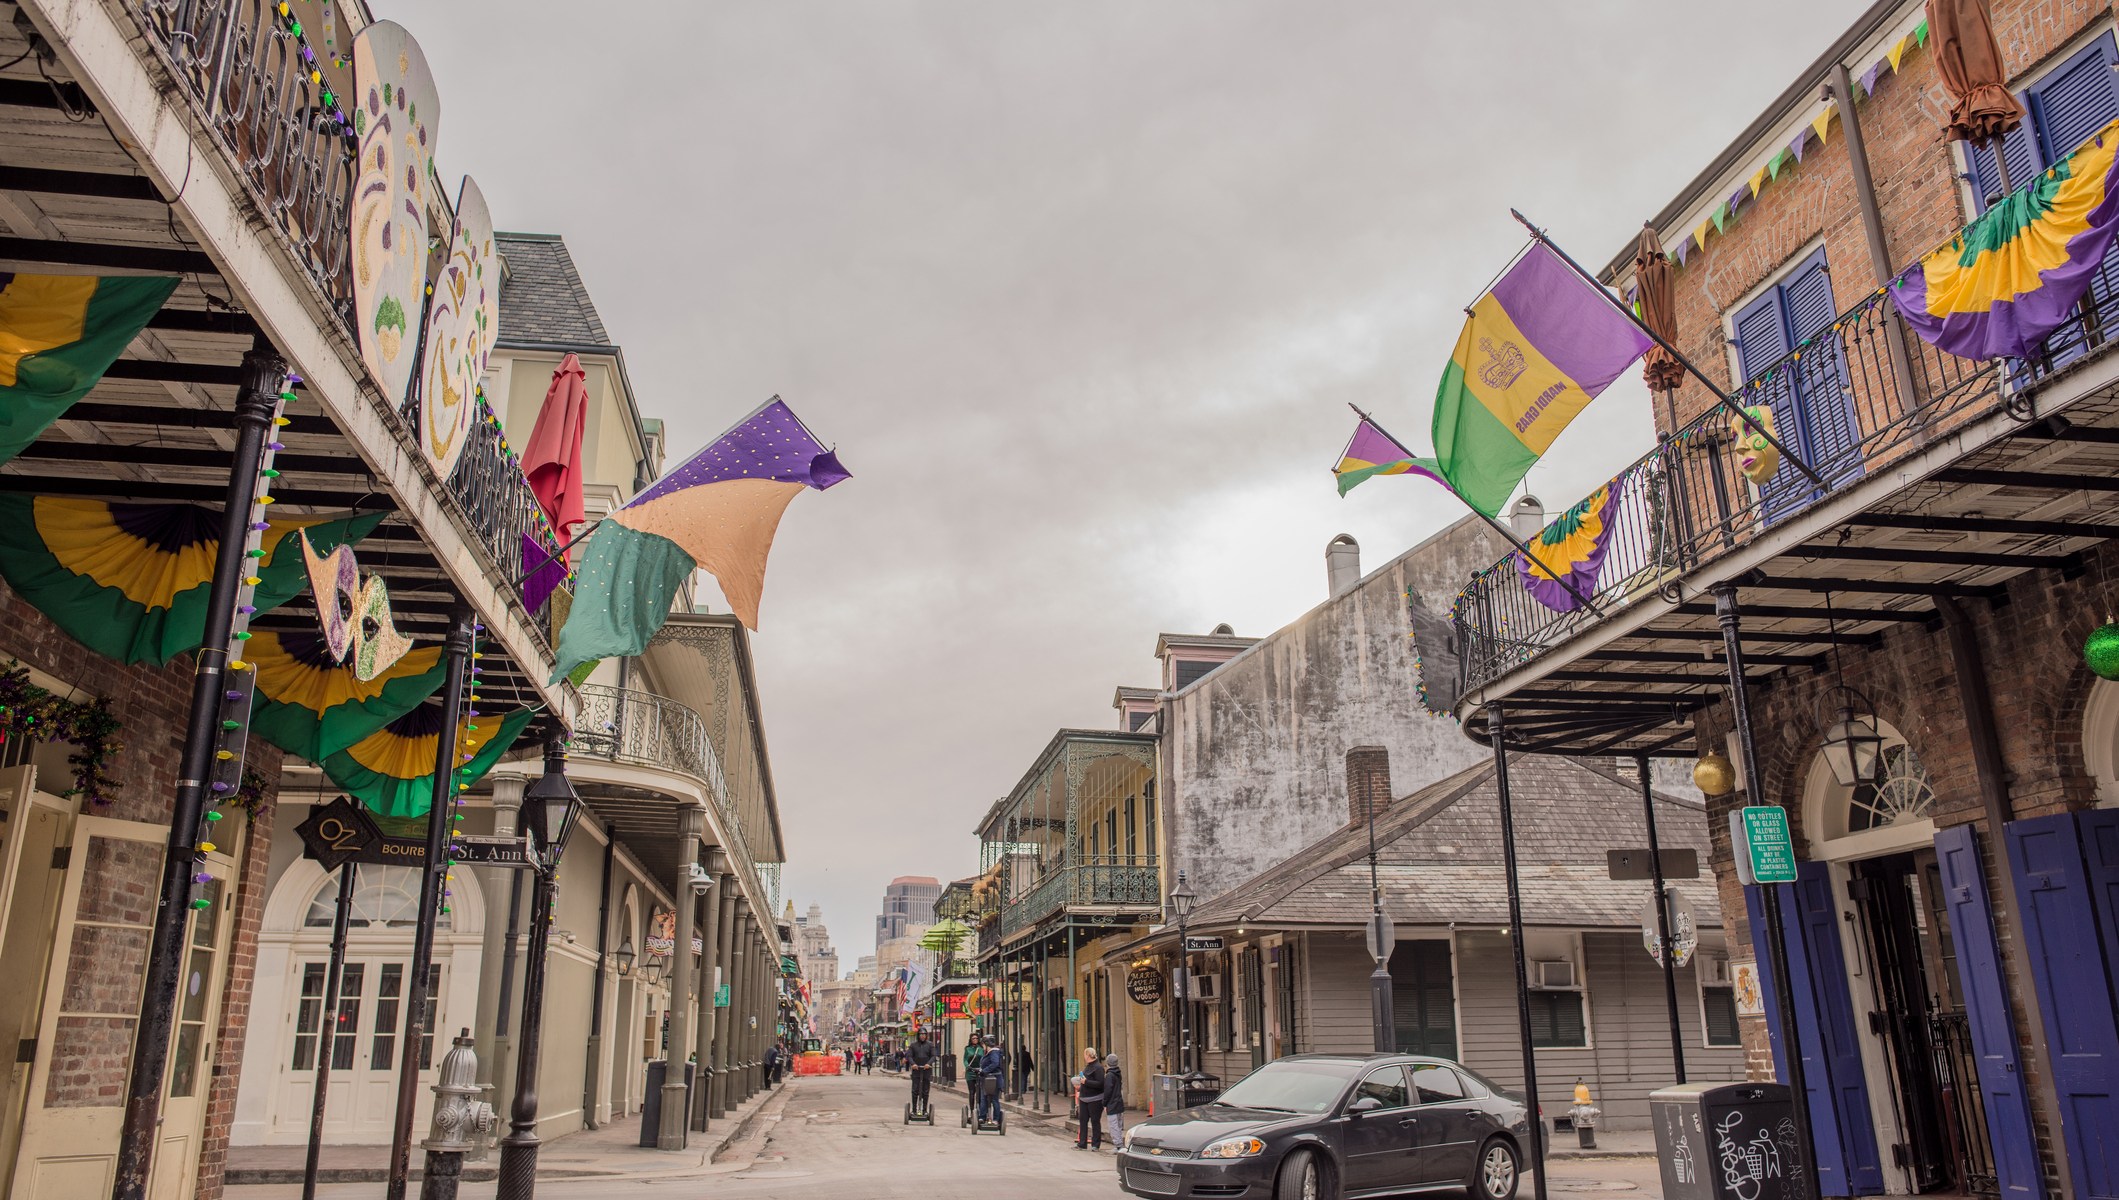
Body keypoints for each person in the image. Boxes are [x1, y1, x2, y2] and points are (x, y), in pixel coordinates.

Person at [1073, 1047, 1106, 1150]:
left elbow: (1100, 1084)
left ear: (1088, 1055)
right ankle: (1082, 1143)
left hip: (1095, 1099)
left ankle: (1095, 1144)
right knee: (1083, 1121)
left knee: (1095, 1122)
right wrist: (1080, 1087)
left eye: (1084, 1055)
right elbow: (1085, 1081)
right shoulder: (1087, 1067)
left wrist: (1086, 1082)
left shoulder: (1098, 1068)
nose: (1084, 1057)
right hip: (1084, 1098)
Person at [977, 1040, 1008, 1127]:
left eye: (983, 1045)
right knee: (985, 1098)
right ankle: (983, 1118)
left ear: (987, 1045)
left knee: (992, 1099)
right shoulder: (990, 1053)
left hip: (993, 1079)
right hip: (988, 1079)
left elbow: (995, 1063)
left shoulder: (994, 1052)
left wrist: (984, 1071)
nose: (983, 1047)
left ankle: (994, 1119)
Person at [907, 1029, 937, 1116]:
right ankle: (914, 1109)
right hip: (916, 1070)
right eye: (921, 1034)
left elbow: (934, 1055)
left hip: (926, 1070)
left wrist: (928, 1063)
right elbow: (909, 1056)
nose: (922, 1036)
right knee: (915, 1090)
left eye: (924, 1034)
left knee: (925, 1090)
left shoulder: (930, 1045)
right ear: (918, 1035)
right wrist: (913, 1064)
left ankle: (924, 1110)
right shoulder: (913, 1045)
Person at [1103, 1053, 1126, 1149]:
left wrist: (1104, 1103)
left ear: (1108, 1063)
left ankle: (1118, 1145)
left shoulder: (1109, 1075)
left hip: (1111, 1103)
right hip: (1119, 1102)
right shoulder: (1118, 1073)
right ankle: (1119, 1142)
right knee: (1119, 1123)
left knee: (1113, 1125)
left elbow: (1108, 1090)